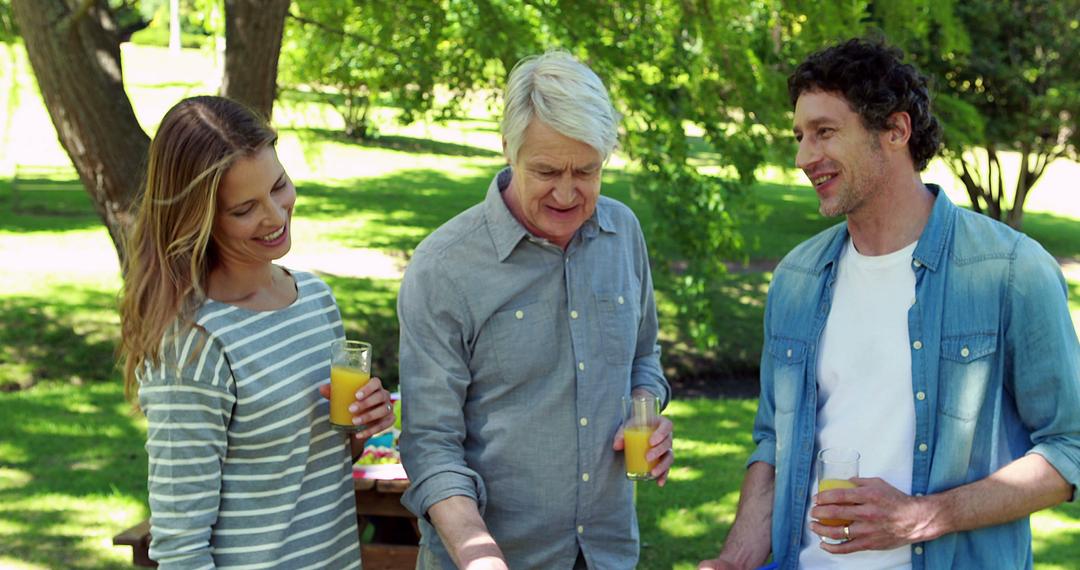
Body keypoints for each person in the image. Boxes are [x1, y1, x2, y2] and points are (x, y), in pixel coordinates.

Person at [699, 38, 1080, 570]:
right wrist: (736, 558)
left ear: (896, 131)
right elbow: (773, 444)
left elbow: (1068, 450)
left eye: (825, 132)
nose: (803, 157)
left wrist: (923, 516)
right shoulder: (797, 279)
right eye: (800, 136)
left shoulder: (1011, 271)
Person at [397, 51, 675, 569]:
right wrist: (479, 556)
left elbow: (644, 359)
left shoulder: (623, 233)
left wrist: (648, 412)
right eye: (546, 170)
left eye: (586, 171)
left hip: (605, 553)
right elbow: (430, 444)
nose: (568, 193)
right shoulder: (444, 266)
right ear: (508, 149)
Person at [118, 96, 395, 568]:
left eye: (279, 185)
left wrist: (363, 423)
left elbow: (316, 465)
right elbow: (181, 547)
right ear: (198, 218)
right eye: (245, 208)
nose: (275, 215)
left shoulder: (315, 299)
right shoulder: (195, 345)